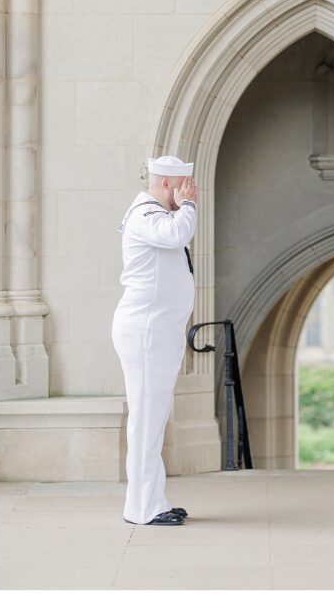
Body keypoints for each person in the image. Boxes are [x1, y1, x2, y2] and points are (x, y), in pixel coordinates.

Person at [112, 155, 198, 526]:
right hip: (146, 332)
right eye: (184, 185)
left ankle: (154, 500)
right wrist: (189, 205)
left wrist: (184, 206)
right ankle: (142, 508)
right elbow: (177, 234)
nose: (189, 191)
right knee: (146, 421)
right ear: (168, 185)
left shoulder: (155, 214)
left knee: (154, 419)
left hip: (157, 332)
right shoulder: (147, 215)